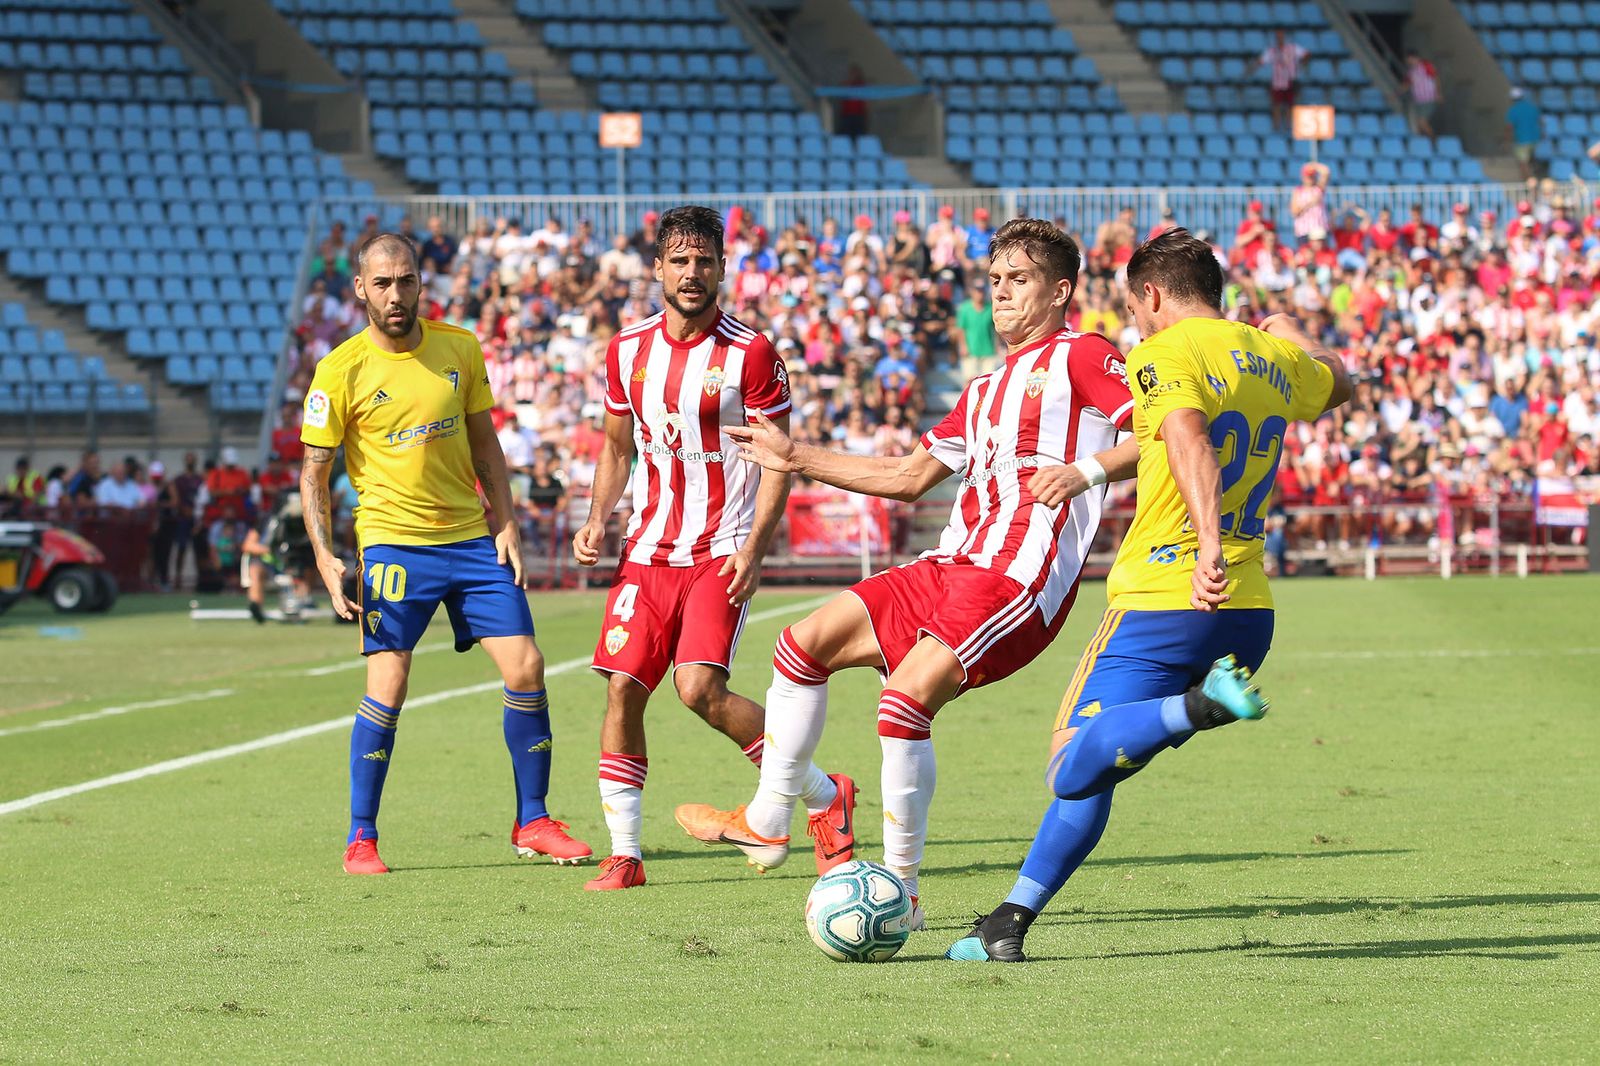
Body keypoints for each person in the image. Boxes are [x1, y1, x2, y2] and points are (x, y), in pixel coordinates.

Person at [673, 219, 1140, 923]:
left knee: (903, 703)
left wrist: (1083, 472)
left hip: (1016, 577)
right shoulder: (984, 390)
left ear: (1060, 291)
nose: (1002, 295)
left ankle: (901, 892)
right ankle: (772, 818)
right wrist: (795, 456)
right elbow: (909, 474)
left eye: (1020, 280)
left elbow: (1154, 429)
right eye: (994, 282)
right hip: (949, 563)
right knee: (801, 646)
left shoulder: (1084, 355)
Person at [946, 228, 1352, 962]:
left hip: (1170, 596)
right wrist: (1293, 332)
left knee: (1070, 761)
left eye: (1134, 309)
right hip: (1248, 613)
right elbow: (1340, 378)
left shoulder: (1163, 353)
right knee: (1106, 759)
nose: (1134, 325)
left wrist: (1201, 549)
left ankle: (1199, 707)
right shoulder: (1274, 359)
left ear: (1153, 295)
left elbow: (1188, 438)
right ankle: (1008, 921)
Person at [299, 232, 591, 876]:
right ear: (360, 289)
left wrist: (507, 522)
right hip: (393, 544)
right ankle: (361, 835)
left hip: (469, 539)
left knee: (527, 666)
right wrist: (325, 556)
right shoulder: (338, 370)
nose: (395, 294)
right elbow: (314, 473)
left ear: (420, 283)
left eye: (405, 281)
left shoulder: (459, 347)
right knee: (389, 683)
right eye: (382, 283)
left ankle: (533, 818)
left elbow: (487, 445)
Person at [569, 205, 828, 892]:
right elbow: (617, 446)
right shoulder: (627, 350)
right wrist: (599, 516)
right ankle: (625, 854)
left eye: (704, 260)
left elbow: (780, 460)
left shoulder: (752, 352)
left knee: (698, 690)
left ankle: (824, 795)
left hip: (721, 547)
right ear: (657, 268)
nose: (692, 272)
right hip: (647, 552)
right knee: (622, 690)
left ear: (721, 268)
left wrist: (758, 547)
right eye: (679, 261)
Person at [1260, 28, 1308, 132]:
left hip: (1290, 79)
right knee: (1276, 104)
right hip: (1277, 81)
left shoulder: (1292, 48)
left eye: (1281, 35)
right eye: (1278, 36)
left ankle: (1288, 125)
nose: (1279, 38)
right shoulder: (1272, 50)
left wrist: (1300, 64)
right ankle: (1276, 126)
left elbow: (1306, 54)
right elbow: (1262, 60)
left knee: (1289, 104)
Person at [1506, 87, 1542, 181]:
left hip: (1522, 140)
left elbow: (1510, 127)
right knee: (1531, 161)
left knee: (1523, 163)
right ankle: (1535, 177)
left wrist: (1507, 140)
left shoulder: (1513, 110)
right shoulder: (1532, 107)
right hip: (1535, 139)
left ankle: (1530, 184)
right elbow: (1540, 122)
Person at [1406, 51, 1439, 140]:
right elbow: (1408, 84)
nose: (1409, 61)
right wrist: (1395, 94)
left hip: (1428, 98)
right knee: (1418, 125)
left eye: (1410, 59)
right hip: (1418, 100)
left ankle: (1434, 141)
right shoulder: (1411, 71)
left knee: (1422, 122)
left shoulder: (1426, 66)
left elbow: (1435, 77)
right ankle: (1422, 144)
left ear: (1415, 58)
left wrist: (1438, 93)